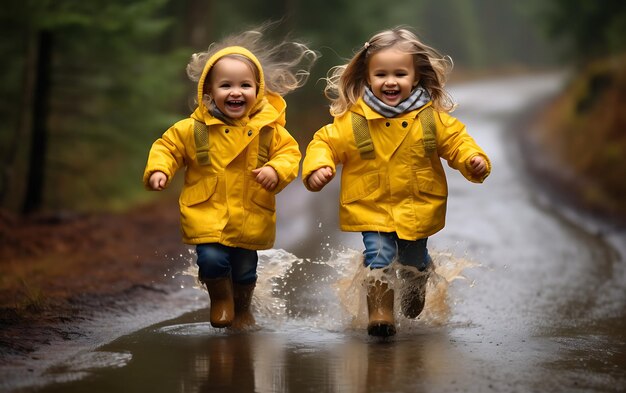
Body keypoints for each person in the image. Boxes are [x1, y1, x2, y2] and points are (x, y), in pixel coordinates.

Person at [302, 27, 490, 337]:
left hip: (417, 208)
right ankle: (380, 314)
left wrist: (473, 160)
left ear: (415, 77)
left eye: (400, 73)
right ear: (368, 77)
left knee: (413, 261)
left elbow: (457, 141)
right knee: (378, 255)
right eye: (381, 74)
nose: (390, 81)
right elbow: (325, 143)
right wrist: (318, 167)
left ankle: (418, 281)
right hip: (370, 205)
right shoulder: (353, 119)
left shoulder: (431, 118)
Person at [143, 26, 317, 330]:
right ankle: (221, 299)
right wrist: (160, 169)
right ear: (209, 92)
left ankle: (244, 308)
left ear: (258, 90)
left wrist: (275, 170)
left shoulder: (269, 130)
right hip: (206, 211)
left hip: (249, 212)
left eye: (245, 85)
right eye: (226, 85)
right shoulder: (193, 129)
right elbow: (167, 147)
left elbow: (290, 154)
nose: (236, 92)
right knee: (211, 259)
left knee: (245, 268)